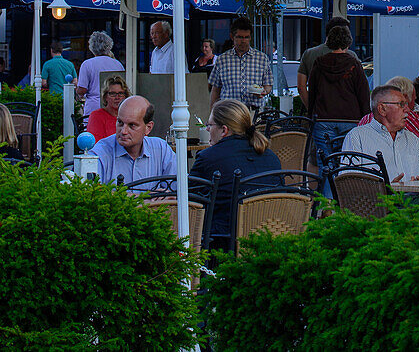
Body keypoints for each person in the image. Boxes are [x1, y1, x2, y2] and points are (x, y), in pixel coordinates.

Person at [191, 98, 282, 247]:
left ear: (224, 130)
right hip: (269, 237)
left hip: (224, 242)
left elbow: (190, 202)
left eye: (210, 125)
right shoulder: (271, 157)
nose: (207, 129)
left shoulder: (208, 158)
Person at [309, 25, 371, 191]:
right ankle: (346, 203)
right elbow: (363, 94)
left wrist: (311, 117)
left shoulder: (319, 63)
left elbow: (312, 92)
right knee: (348, 164)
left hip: (323, 119)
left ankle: (327, 206)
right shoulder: (354, 64)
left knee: (325, 165)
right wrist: (366, 120)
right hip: (350, 120)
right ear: (348, 43)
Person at [341, 85, 419, 183]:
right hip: (376, 198)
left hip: (414, 197)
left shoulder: (412, 139)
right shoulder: (357, 137)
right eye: (401, 104)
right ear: (382, 109)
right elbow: (348, 182)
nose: (407, 110)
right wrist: (386, 190)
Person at [95, 95, 175, 187]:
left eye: (132, 125)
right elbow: (91, 193)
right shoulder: (101, 152)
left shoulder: (161, 149)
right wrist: (148, 197)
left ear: (148, 128)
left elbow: (177, 189)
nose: (123, 131)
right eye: (120, 123)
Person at [358, 75, 419, 150]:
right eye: (413, 99)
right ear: (404, 97)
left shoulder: (365, 119)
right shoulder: (407, 117)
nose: (413, 105)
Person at [209, 18, 272, 112]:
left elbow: (268, 84)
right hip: (229, 112)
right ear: (232, 37)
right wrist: (212, 114)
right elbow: (215, 90)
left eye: (246, 37)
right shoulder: (222, 59)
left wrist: (264, 91)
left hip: (253, 111)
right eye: (239, 37)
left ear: (250, 37)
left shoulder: (262, 58)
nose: (243, 41)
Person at [296, 17, 359, 110]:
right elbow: (360, 88)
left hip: (319, 111)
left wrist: (310, 108)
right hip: (347, 111)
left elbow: (301, 87)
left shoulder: (309, 54)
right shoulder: (351, 56)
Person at [77, 31, 124, 123]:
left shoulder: (87, 64)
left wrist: (77, 90)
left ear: (92, 47)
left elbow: (82, 89)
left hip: (93, 107)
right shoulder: (117, 64)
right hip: (114, 106)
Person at [87, 75, 131, 141]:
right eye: (113, 94)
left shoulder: (131, 116)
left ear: (125, 96)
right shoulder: (96, 116)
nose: (117, 97)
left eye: (121, 93)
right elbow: (96, 145)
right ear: (106, 96)